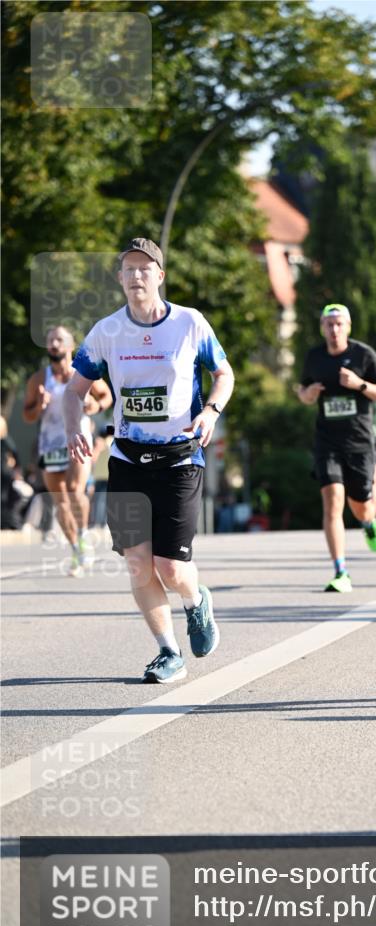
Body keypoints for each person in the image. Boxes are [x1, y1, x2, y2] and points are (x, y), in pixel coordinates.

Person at [64, 237, 234, 684]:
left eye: (146, 268)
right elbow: (74, 390)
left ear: (160, 275)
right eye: (129, 269)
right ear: (119, 278)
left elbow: (224, 374)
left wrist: (211, 410)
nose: (137, 276)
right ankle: (168, 652)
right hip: (126, 459)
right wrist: (71, 429)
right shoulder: (106, 332)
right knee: (139, 564)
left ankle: (196, 603)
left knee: (170, 567)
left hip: (180, 459)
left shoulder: (189, 324)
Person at [298, 303, 376, 592]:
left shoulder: (363, 355)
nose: (334, 329)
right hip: (327, 442)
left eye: (339, 324)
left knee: (361, 507)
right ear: (322, 328)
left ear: (348, 327)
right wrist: (309, 393)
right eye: (329, 324)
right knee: (332, 501)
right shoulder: (315, 357)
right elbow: (302, 392)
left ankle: (368, 522)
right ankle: (341, 571)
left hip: (359, 443)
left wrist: (360, 384)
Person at [23, 325, 112, 575]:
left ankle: (84, 535)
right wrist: (39, 405)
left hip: (78, 438)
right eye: (50, 340)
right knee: (60, 502)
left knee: (75, 490)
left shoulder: (83, 373)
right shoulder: (39, 379)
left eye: (59, 340)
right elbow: (27, 416)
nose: (54, 344)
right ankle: (76, 548)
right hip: (50, 444)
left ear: (70, 346)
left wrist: (95, 405)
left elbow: (107, 397)